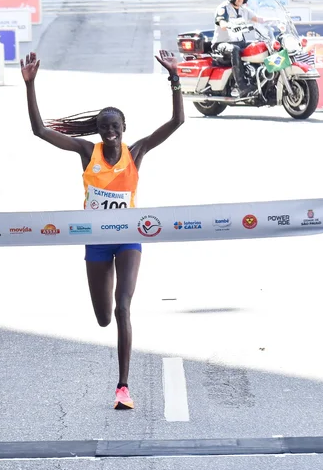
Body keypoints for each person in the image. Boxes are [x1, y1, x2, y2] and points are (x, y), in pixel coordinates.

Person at [20, 50, 184, 409]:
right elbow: (40, 130)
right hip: (95, 240)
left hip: (128, 238)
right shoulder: (86, 151)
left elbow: (177, 121)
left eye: (115, 127)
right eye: (104, 127)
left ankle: (123, 387)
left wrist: (175, 77)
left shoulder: (136, 152)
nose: (110, 133)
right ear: (98, 130)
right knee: (103, 317)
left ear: (124, 129)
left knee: (123, 307)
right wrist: (30, 84)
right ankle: (107, 319)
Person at [211, 0, 262, 97]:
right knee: (234, 49)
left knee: (259, 46)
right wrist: (231, 25)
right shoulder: (223, 8)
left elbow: (259, 19)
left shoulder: (244, 10)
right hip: (221, 45)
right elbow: (222, 24)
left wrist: (276, 20)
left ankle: (260, 80)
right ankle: (242, 87)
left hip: (239, 43)